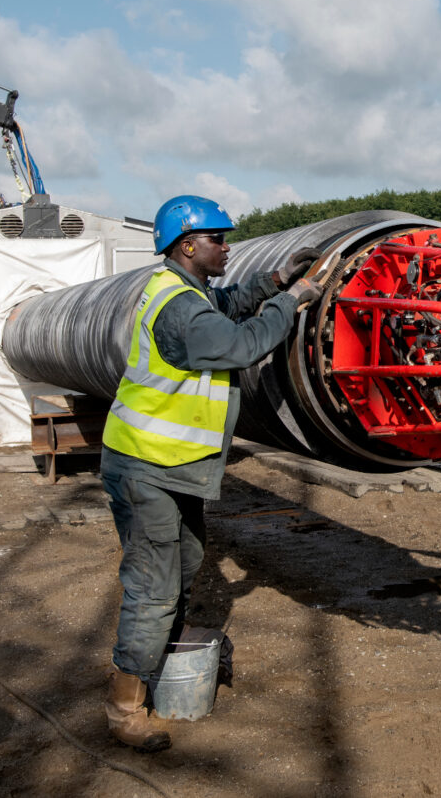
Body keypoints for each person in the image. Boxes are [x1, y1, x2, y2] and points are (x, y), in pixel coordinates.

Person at [100, 194, 322, 751]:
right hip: (146, 465)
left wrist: (274, 279)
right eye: (218, 239)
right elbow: (241, 343)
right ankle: (124, 708)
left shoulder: (189, 290)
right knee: (153, 587)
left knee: (188, 561)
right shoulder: (179, 308)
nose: (227, 246)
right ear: (187, 245)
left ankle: (162, 653)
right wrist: (293, 301)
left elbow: (229, 303)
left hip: (169, 465)